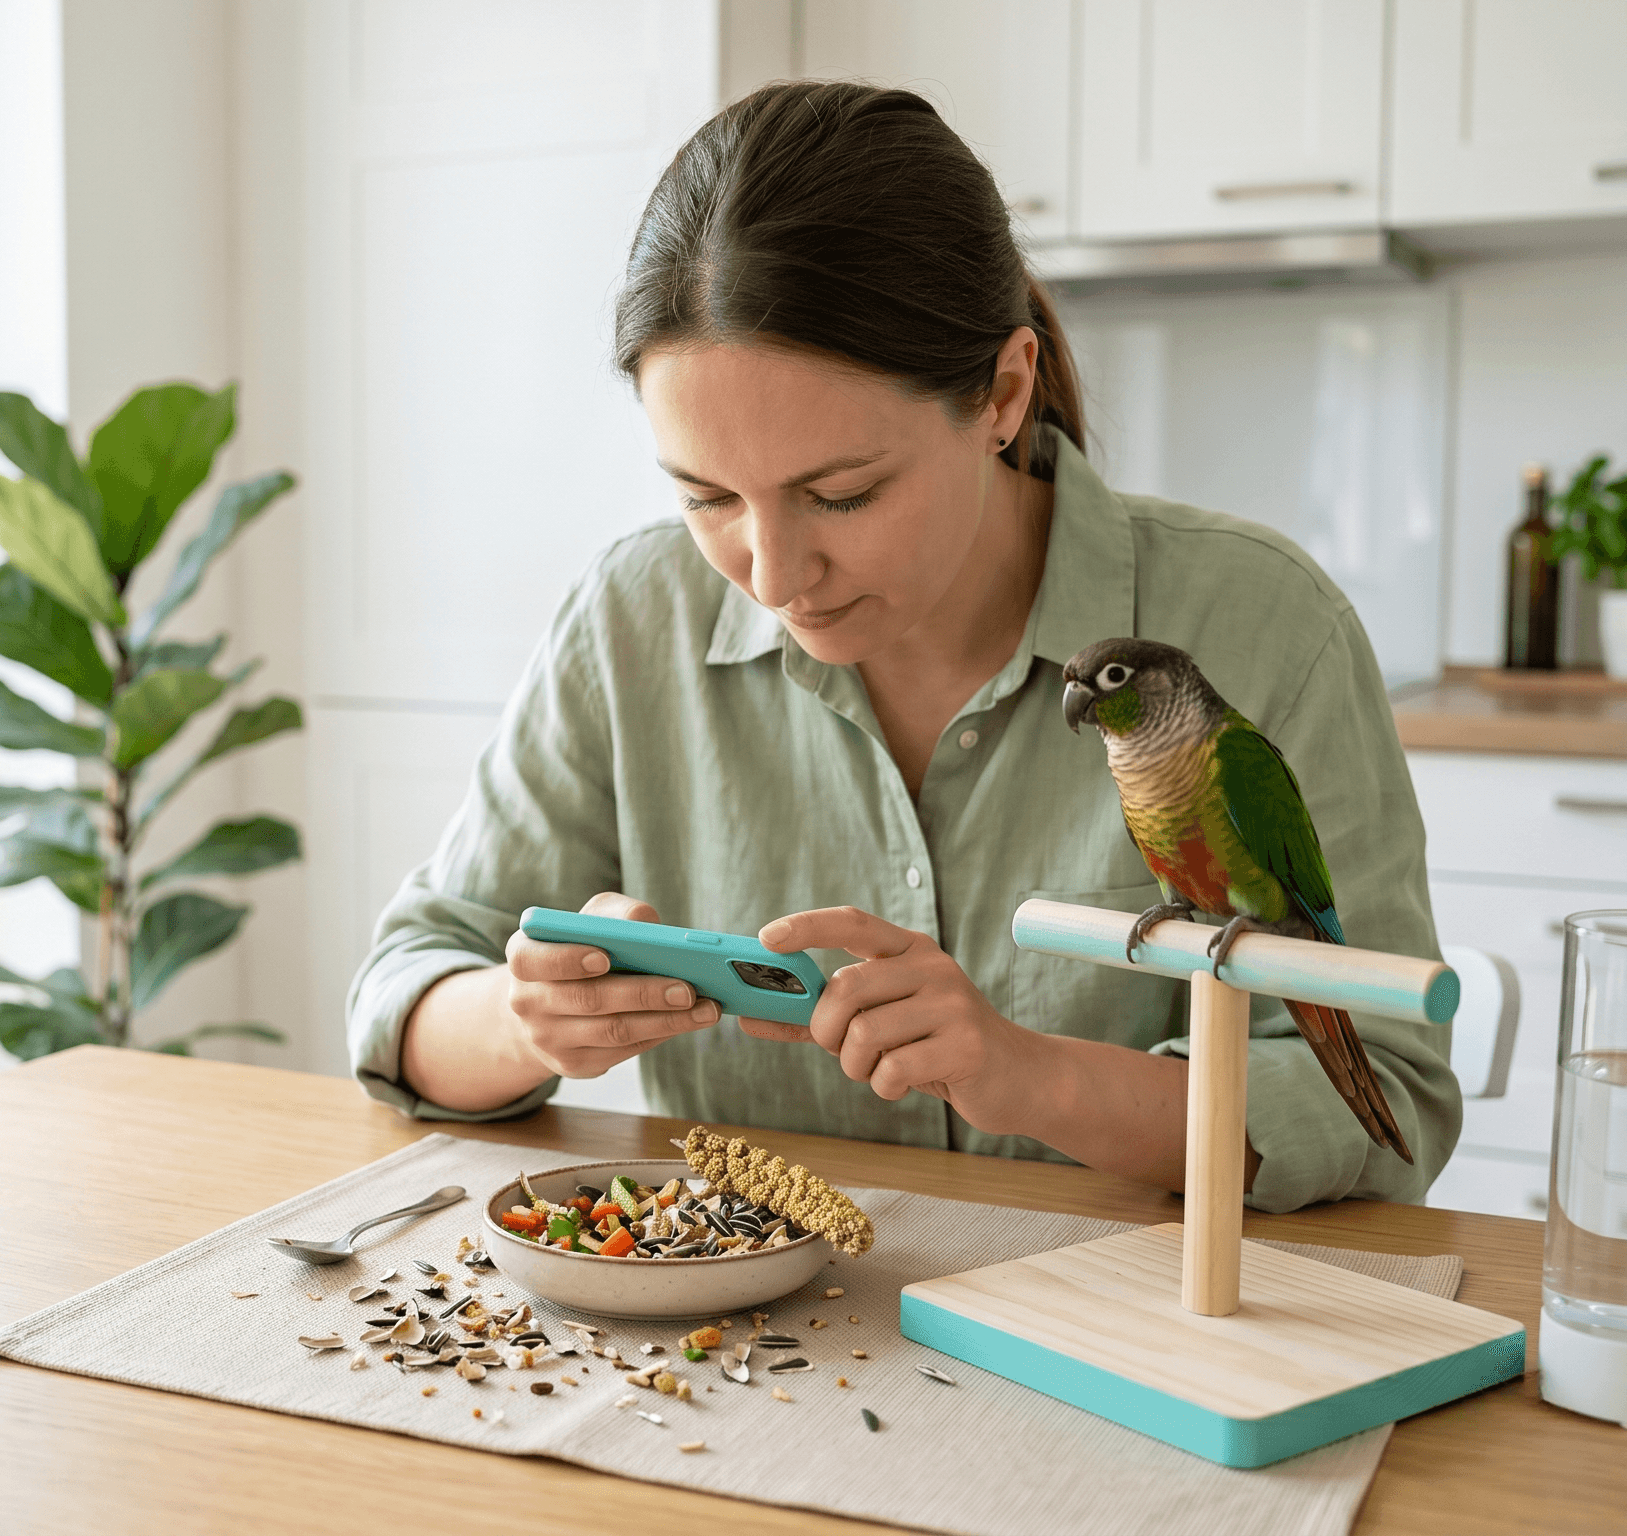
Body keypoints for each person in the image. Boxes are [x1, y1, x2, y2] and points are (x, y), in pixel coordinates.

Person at [345, 81, 1456, 1212]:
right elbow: (404, 997)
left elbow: (1386, 1106)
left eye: (841, 493)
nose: (772, 577)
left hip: (1125, 1342)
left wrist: (1030, 1076)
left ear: (1003, 394)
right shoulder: (631, 616)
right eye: (706, 496)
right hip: (745, 1355)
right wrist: (528, 1017)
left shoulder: (1262, 624)